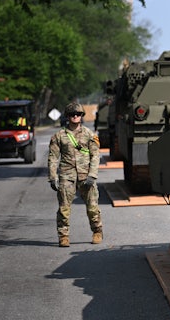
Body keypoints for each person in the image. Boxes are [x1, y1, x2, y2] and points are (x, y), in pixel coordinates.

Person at [48, 102, 103, 247]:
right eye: (72, 114)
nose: (75, 116)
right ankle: (63, 236)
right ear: (67, 116)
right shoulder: (59, 136)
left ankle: (97, 231)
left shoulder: (89, 135)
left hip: (86, 176)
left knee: (92, 206)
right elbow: (53, 157)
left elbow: (95, 156)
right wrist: (52, 177)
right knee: (64, 208)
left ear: (82, 116)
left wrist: (92, 175)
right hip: (67, 176)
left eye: (78, 114)